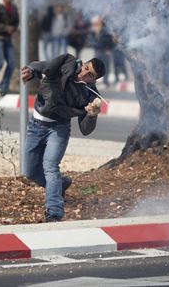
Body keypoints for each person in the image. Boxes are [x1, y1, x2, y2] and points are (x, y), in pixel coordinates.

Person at [20, 53, 106, 222]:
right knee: (29, 171)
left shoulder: (90, 95)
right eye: (86, 68)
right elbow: (47, 65)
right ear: (84, 63)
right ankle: (61, 184)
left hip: (59, 128)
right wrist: (31, 70)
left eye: (90, 75)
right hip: (36, 125)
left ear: (94, 80)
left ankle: (54, 212)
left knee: (50, 166)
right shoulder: (68, 62)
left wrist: (92, 115)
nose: (84, 74)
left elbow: (85, 130)